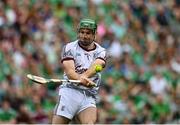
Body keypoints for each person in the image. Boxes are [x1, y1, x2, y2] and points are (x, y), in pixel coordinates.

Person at [52, 18, 106, 124]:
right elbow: (70, 72)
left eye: (88, 33)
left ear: (94, 34)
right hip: (69, 92)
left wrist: (83, 78)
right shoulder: (70, 47)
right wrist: (81, 79)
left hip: (88, 94)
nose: (84, 36)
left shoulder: (101, 51)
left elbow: (97, 65)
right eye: (82, 32)